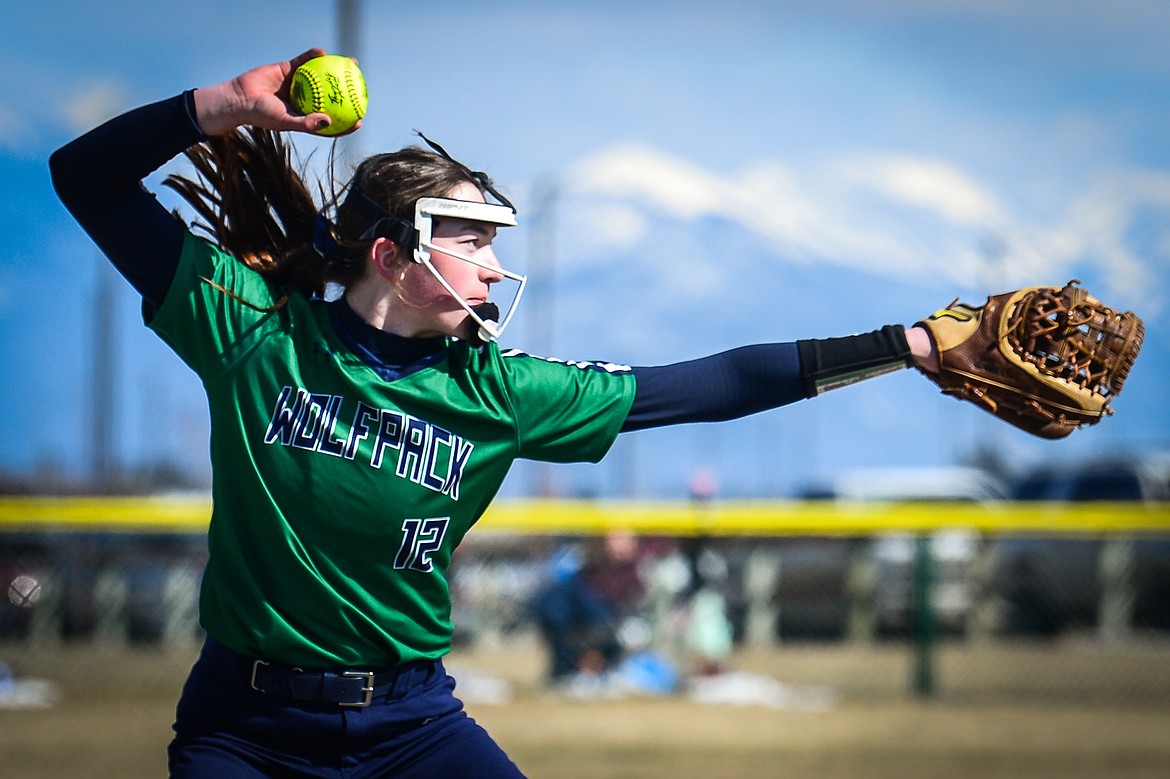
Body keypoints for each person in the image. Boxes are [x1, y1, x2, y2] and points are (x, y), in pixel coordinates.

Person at [50, 48, 941, 778]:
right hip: (245, 730)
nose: (491, 265)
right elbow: (83, 178)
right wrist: (223, 105)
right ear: (393, 256)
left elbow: (710, 384)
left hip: (411, 726)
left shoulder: (497, 389)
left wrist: (911, 344)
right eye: (469, 239)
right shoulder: (253, 329)